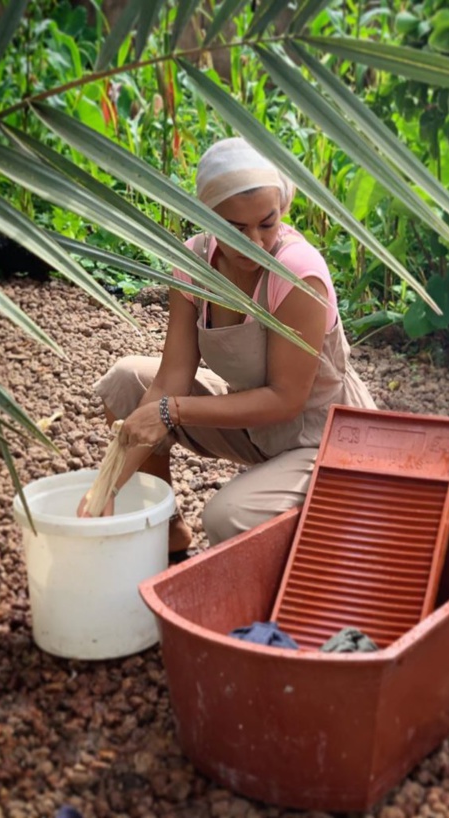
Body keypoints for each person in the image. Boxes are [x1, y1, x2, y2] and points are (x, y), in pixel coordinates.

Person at [79, 136, 376, 561]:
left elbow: (286, 400)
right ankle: (167, 530)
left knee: (226, 516)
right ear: (207, 218)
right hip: (256, 427)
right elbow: (171, 378)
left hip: (324, 438)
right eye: (235, 229)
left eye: (267, 224)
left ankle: (333, 532)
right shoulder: (195, 263)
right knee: (126, 383)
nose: (255, 243)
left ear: (282, 209)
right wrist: (107, 485)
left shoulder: (297, 274)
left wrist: (172, 411)